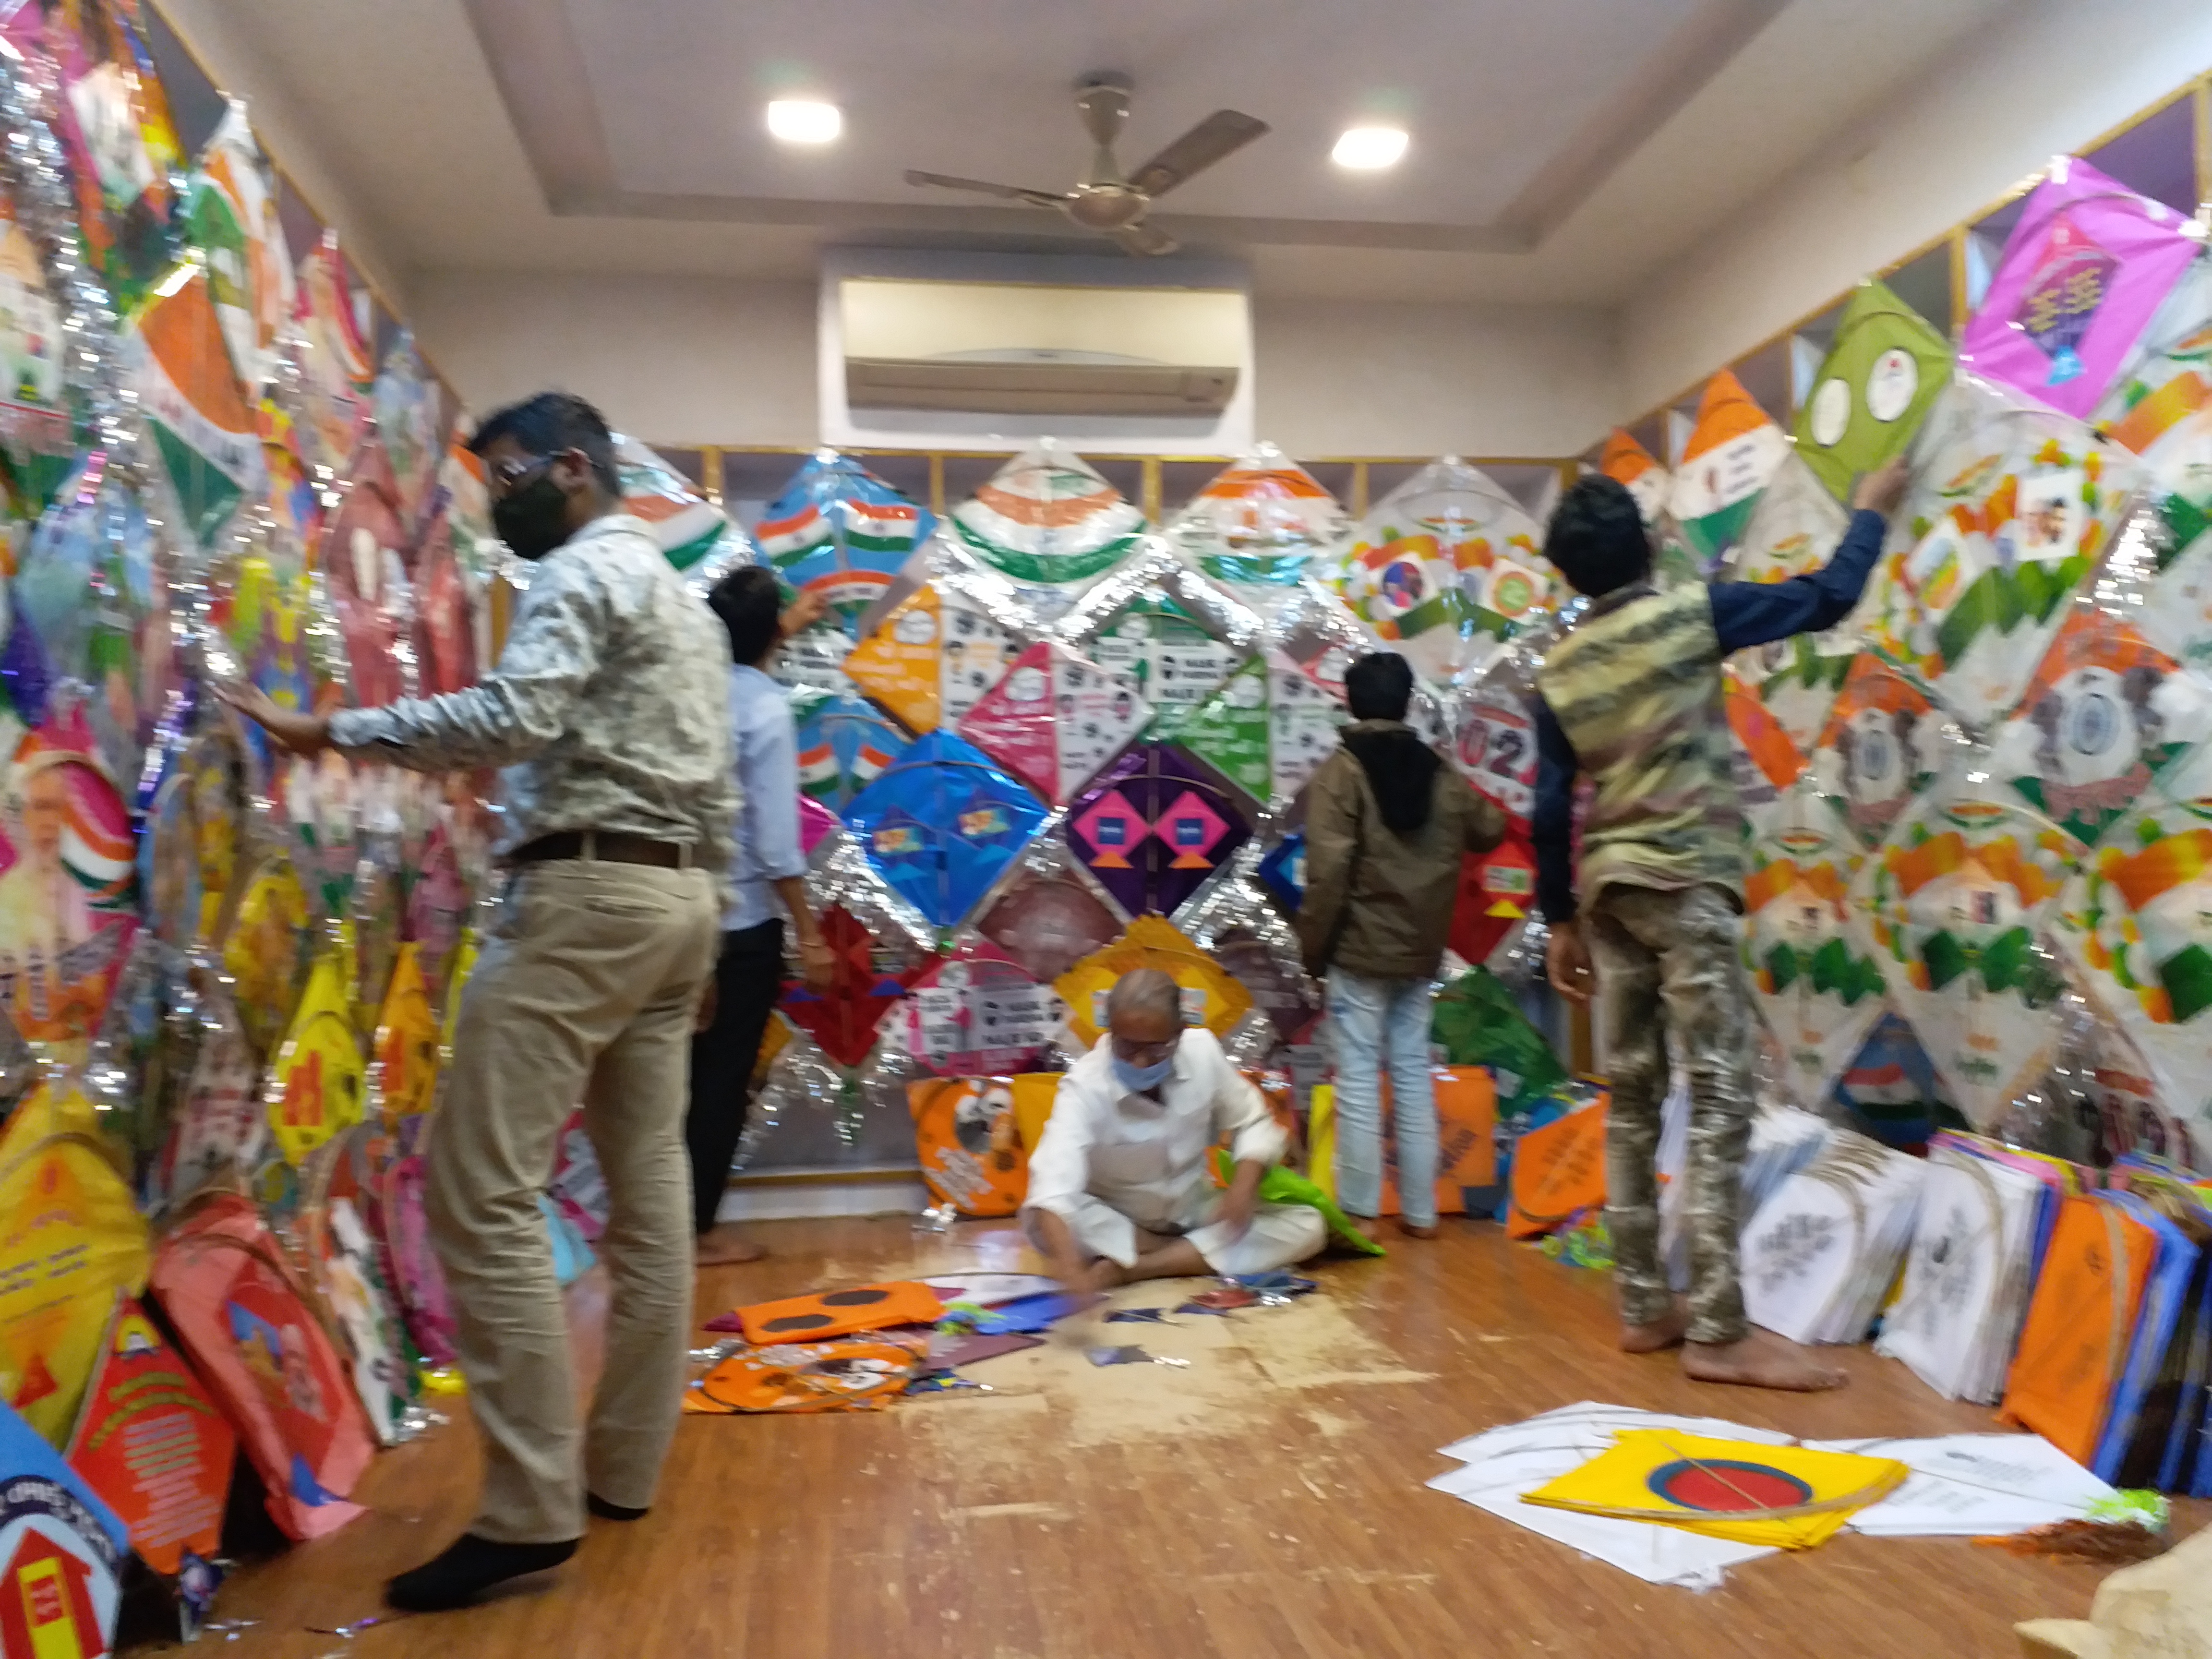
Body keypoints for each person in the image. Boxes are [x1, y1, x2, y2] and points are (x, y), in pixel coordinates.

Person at [218, 392, 734, 1610]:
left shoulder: (578, 576)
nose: (497, 507)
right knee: (651, 1201)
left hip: (585, 894)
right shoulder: (685, 600)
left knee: (482, 1185)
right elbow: (709, 784)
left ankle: (525, 1511)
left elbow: (514, 717)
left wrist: (331, 728)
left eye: (505, 480)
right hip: (676, 903)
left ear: (571, 467)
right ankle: (621, 1471)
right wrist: (696, 938)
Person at [1535, 457, 1911, 1393]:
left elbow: (1549, 805)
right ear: (1652, 546)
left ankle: (1642, 1307)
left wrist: (1559, 923)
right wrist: (1869, 512)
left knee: (1629, 1099)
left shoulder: (1558, 671)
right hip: (1686, 886)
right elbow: (1827, 598)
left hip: (1607, 895)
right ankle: (1717, 1327)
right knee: (1722, 1097)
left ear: (1567, 572)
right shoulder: (1688, 614)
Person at [1296, 652, 1506, 1241]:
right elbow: (1490, 829)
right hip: (1420, 953)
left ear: (1350, 700)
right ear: (1409, 701)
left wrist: (1314, 951)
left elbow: (1327, 877)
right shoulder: (1440, 772)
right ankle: (1421, 1213)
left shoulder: (1341, 773)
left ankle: (1361, 1213)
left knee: (1359, 1078)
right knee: (1413, 1072)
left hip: (1359, 952)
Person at [686, 569, 835, 1266]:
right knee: (724, 1081)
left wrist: (784, 625)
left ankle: (659, 1226)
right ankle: (697, 1232)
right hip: (743, 922)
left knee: (676, 1076)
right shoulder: (767, 710)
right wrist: (808, 931)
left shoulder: (687, 693)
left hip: (680, 914)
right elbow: (777, 843)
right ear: (769, 633)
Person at [1024, 968, 1325, 1290]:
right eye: (1126, 1048)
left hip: (1192, 1208)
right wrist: (1072, 1275)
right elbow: (1053, 1187)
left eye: (1156, 1050)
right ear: (1109, 1032)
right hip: (1119, 1221)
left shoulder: (1203, 1053)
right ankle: (1185, 1255)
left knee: (1309, 1225)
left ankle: (1141, 1269)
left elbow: (1251, 1121)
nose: (1140, 1063)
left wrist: (1242, 1189)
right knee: (1048, 1224)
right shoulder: (1085, 1087)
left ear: (1180, 1034)